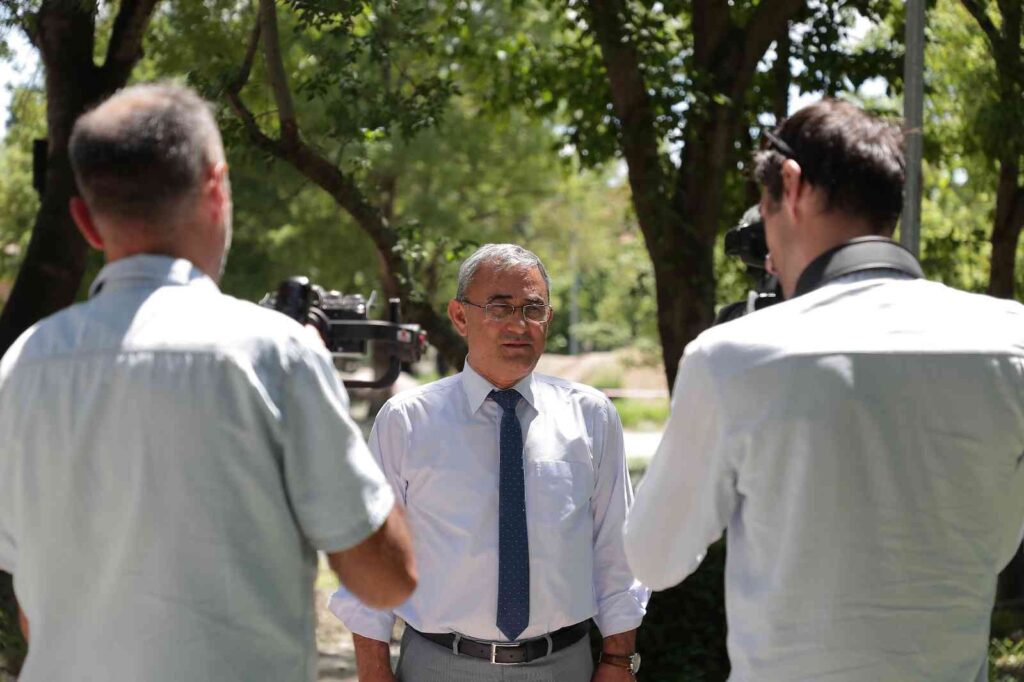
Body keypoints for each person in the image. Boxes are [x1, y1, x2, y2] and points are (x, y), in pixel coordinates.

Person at [0, 83, 417, 681]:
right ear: (217, 190)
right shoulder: (279, 354)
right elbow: (386, 580)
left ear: (85, 221)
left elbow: (34, 615)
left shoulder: (21, 366)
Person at [624, 98, 1024, 681]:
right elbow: (999, 546)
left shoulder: (733, 356)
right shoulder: (1012, 336)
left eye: (763, 210)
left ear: (791, 185)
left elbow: (653, 559)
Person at [330, 244, 649, 681]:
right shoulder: (407, 422)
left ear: (548, 320)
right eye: (500, 308)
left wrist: (617, 660)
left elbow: (617, 550)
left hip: (563, 666)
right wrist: (373, 672)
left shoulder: (591, 416)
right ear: (460, 316)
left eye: (533, 309)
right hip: (439, 665)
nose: (519, 324)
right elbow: (371, 561)